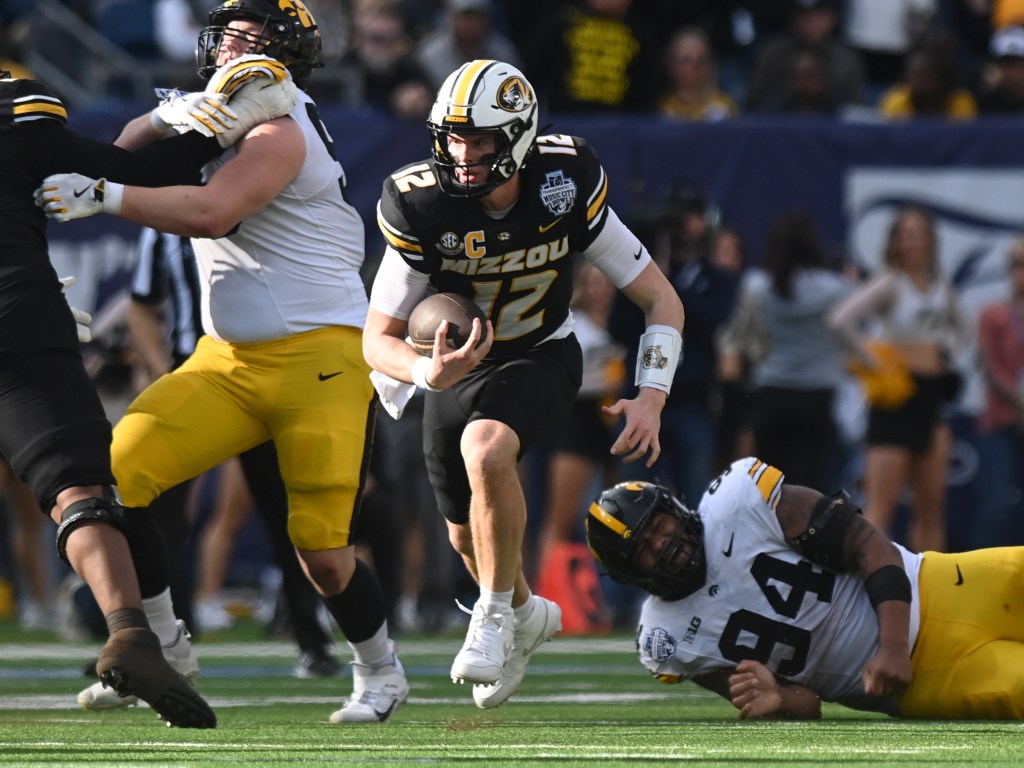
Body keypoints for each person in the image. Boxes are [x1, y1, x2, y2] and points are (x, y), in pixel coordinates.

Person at [36, 0, 408, 724]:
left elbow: (212, 212)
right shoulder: (220, 113)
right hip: (227, 360)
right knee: (120, 476)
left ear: (284, 59)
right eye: (230, 33)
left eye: (253, 38)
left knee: (322, 553)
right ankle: (167, 646)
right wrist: (174, 116)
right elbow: (128, 142)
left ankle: (381, 671)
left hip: (321, 360)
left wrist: (107, 197)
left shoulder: (280, 131)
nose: (234, 45)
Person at [362, 59, 685, 707]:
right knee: (463, 534)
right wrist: (428, 370)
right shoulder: (420, 202)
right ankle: (527, 612)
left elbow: (660, 300)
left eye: (480, 139)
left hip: (542, 351)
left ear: (517, 135)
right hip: (456, 369)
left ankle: (491, 617)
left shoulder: (562, 179)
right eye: (453, 137)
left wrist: (652, 395)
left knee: (485, 449)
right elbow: (378, 339)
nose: (463, 153)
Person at [0, 66, 236, 726]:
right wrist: (192, 127)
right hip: (15, 321)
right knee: (78, 488)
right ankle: (131, 629)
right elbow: (140, 172)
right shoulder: (15, 112)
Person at [586, 460, 1024, 720]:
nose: (662, 543)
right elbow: (806, 703)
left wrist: (891, 646)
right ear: (631, 573)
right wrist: (775, 700)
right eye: (643, 548)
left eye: (658, 527)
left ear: (674, 508)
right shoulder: (670, 639)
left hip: (942, 586)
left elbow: (867, 543)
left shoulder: (739, 501)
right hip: (925, 683)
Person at [828, 205, 971, 554]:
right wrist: (878, 358)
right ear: (894, 242)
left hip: (931, 400)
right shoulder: (891, 282)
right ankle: (871, 589)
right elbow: (840, 320)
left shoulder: (940, 287)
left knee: (931, 507)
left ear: (930, 241)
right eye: (904, 235)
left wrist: (944, 352)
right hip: (895, 401)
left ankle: (929, 593)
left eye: (918, 234)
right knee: (882, 506)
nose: (911, 243)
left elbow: (964, 331)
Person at [718, 212, 850, 492]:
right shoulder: (833, 289)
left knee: (772, 492)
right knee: (815, 492)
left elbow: (743, 336)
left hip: (771, 398)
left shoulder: (757, 285)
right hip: (817, 401)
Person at [972, 236, 1024, 549]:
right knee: (997, 504)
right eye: (1016, 264)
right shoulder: (993, 314)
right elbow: (989, 366)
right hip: (1001, 422)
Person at [746, 0, 866, 114]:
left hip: (833, 130)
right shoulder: (773, 53)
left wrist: (820, 92)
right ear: (792, 18)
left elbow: (854, 111)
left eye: (819, 16)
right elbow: (755, 104)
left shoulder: (846, 59)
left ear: (833, 18)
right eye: (804, 16)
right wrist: (793, 89)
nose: (811, 23)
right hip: (779, 127)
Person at [657, 26, 737, 122]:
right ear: (670, 63)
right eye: (686, 60)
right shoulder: (661, 109)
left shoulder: (723, 108)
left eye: (701, 60)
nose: (695, 67)